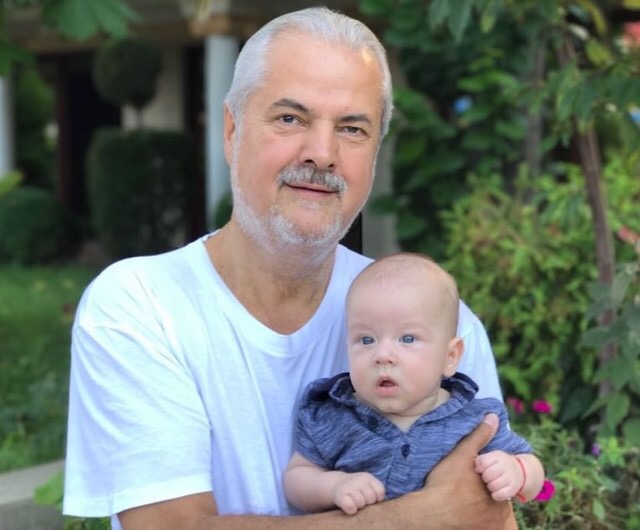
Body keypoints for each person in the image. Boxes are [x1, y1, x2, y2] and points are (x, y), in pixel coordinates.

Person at [63, 6, 517, 530]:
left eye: (352, 128)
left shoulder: (432, 321)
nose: (322, 153)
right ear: (231, 131)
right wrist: (418, 516)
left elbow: (486, 517)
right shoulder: (142, 305)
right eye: (290, 119)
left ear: (374, 155)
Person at [284, 253, 545, 516]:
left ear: (450, 357)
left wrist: (517, 471)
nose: (382, 355)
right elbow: (298, 477)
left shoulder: (476, 420)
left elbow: (532, 470)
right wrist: (334, 485)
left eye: (407, 339)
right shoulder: (334, 417)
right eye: (366, 340)